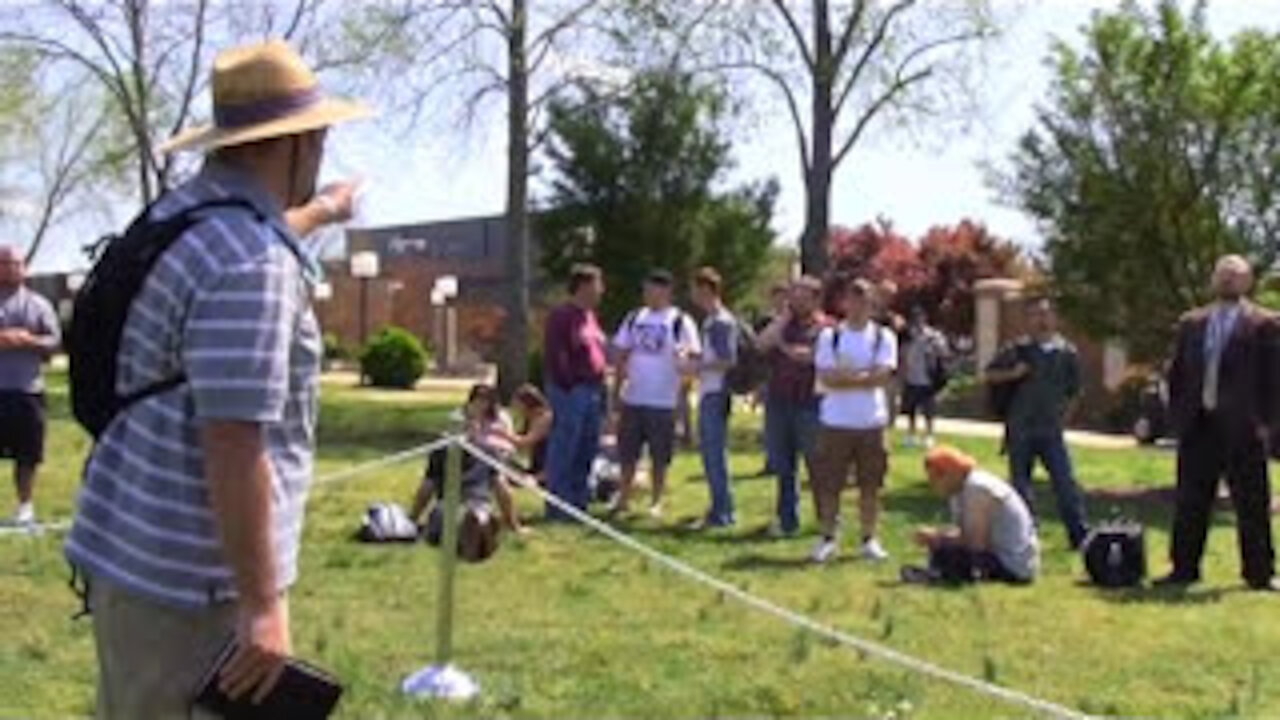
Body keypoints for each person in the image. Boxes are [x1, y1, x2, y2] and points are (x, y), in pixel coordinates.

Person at [63, 40, 368, 718]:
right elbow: (233, 436)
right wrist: (263, 605)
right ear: (296, 141)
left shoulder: (187, 217)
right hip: (192, 590)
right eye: (318, 135)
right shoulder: (254, 263)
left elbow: (258, 242)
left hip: (133, 556)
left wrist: (321, 214)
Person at [1157, 255, 1279, 591]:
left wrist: (1267, 422)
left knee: (1252, 502)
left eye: (1235, 276)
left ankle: (1259, 573)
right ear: (1213, 280)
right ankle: (1183, 569)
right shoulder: (1192, 323)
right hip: (1199, 424)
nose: (1227, 281)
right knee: (1190, 500)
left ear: (1247, 282)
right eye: (1222, 275)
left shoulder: (1265, 324)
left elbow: (1274, 378)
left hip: (1244, 427)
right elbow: (1177, 372)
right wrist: (1177, 416)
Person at [984, 296, 1089, 549]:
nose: (1041, 320)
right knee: (1020, 486)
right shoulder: (1017, 350)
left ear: (1055, 318)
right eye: (1035, 315)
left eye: (1046, 314)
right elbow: (989, 374)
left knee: (1065, 483)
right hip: (1020, 427)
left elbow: (1075, 391)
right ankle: (1024, 537)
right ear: (1027, 320)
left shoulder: (1066, 352)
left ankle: (1079, 536)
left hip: (1050, 429)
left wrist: (1064, 419)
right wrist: (1013, 373)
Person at [810, 278, 897, 563]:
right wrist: (863, 377)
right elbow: (825, 377)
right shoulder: (829, 336)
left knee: (871, 485)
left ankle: (869, 539)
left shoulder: (884, 337)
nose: (858, 306)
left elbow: (883, 375)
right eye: (853, 299)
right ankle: (827, 538)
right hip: (835, 422)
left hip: (871, 422)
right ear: (844, 302)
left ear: (871, 304)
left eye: (864, 300)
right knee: (829, 485)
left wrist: (848, 378)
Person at [611, 268, 701, 518]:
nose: (648, 295)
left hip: (663, 399)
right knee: (627, 452)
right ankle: (624, 498)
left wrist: (684, 373)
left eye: (653, 290)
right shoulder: (633, 318)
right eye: (645, 290)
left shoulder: (680, 321)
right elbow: (620, 353)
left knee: (660, 455)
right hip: (634, 396)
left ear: (666, 292)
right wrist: (617, 391)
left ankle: (656, 499)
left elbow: (693, 360)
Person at [902, 446, 1039, 585]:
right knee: (942, 549)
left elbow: (976, 543)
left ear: (949, 474)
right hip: (999, 555)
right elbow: (965, 533)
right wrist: (938, 536)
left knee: (949, 552)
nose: (933, 486)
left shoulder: (977, 489)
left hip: (1012, 564)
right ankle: (937, 574)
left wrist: (939, 538)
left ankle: (940, 576)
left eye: (934, 479)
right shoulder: (959, 490)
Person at [757, 276, 828, 537]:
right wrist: (782, 320)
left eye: (802, 296)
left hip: (810, 404)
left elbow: (807, 357)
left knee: (816, 466)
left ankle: (827, 520)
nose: (795, 301)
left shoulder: (824, 328)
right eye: (793, 296)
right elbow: (761, 344)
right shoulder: (783, 325)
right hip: (779, 401)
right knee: (784, 466)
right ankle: (787, 520)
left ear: (815, 299)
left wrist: (783, 347)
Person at [410, 385, 526, 535]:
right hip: (467, 500)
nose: (481, 405)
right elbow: (450, 436)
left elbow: (509, 447)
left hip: (489, 462)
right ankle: (416, 520)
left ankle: (508, 525)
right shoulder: (457, 425)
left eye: (485, 401)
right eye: (478, 400)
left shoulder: (499, 422)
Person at [543, 263, 608, 521]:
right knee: (565, 446)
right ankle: (558, 505)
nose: (601, 291)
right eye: (597, 285)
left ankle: (578, 501)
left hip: (593, 389)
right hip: (571, 390)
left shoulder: (590, 316)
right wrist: (568, 384)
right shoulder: (562, 316)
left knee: (587, 446)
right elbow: (556, 355)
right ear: (583, 286)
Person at [0, 247, 60, 526]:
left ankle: (25, 508)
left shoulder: (38, 305)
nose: (10, 268)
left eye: (15, 263)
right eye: (4, 263)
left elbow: (54, 344)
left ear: (24, 268)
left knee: (27, 454)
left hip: (27, 391)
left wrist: (26, 340)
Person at [690, 267, 739, 528]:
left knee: (714, 453)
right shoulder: (711, 321)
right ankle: (720, 507)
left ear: (707, 290)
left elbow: (726, 360)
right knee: (710, 452)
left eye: (696, 289)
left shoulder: (720, 321)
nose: (693, 295)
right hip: (709, 390)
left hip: (716, 391)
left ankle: (723, 511)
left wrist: (698, 366)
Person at [752, 282, 791, 476]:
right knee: (771, 420)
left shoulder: (795, 320)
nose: (781, 301)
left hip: (790, 375)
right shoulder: (766, 320)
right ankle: (772, 460)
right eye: (778, 296)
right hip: (769, 374)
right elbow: (758, 348)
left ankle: (786, 458)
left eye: (784, 296)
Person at [900, 306, 948, 448]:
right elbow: (902, 354)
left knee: (929, 410)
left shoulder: (933, 336)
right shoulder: (907, 336)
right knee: (911, 410)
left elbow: (943, 352)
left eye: (919, 318)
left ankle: (929, 434)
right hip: (911, 377)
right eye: (914, 319)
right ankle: (911, 434)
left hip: (928, 379)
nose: (917, 321)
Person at [508, 383, 553, 485]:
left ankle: (539, 477)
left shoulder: (544, 417)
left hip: (548, 463)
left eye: (517, 404)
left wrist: (503, 434)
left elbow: (526, 442)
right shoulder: (528, 418)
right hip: (535, 462)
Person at [875, 279, 906, 424]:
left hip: (890, 371)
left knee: (890, 411)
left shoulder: (895, 319)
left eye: (891, 296)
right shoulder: (867, 318)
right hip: (870, 369)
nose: (888, 299)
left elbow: (904, 345)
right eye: (884, 294)